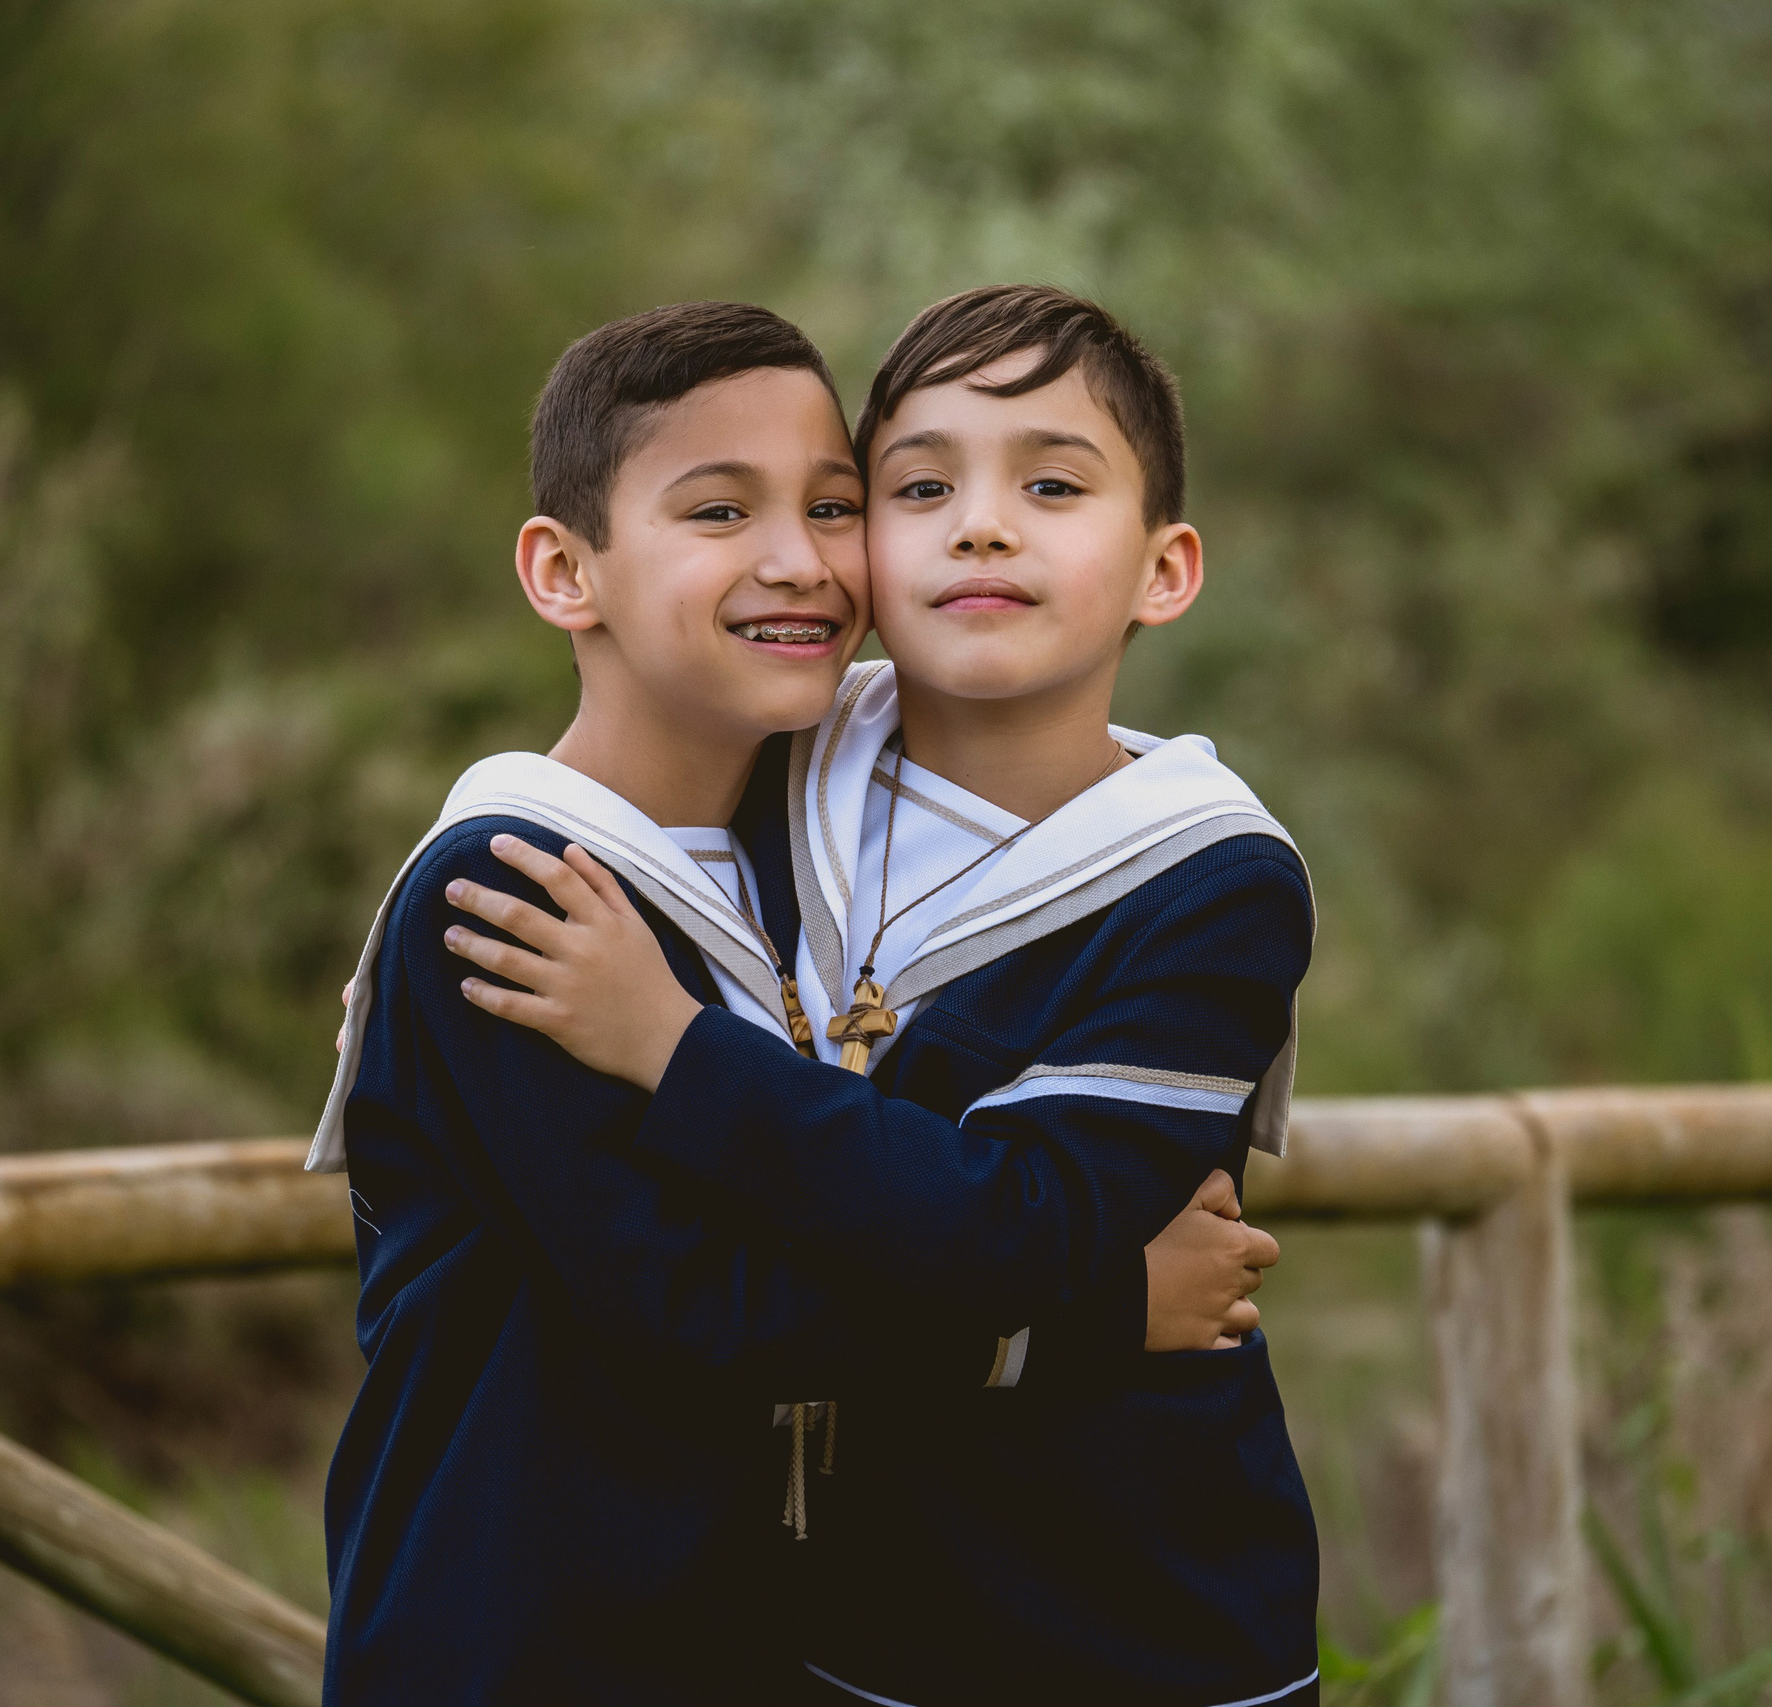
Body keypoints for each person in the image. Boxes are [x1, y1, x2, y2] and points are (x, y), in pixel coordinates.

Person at [310, 300, 1281, 1706]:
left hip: (770, 1639)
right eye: (721, 511)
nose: (797, 560)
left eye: (832, 507)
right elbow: (700, 1308)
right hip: (517, 1639)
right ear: (565, 571)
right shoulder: (519, 894)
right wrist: (1101, 1309)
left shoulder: (800, 835)